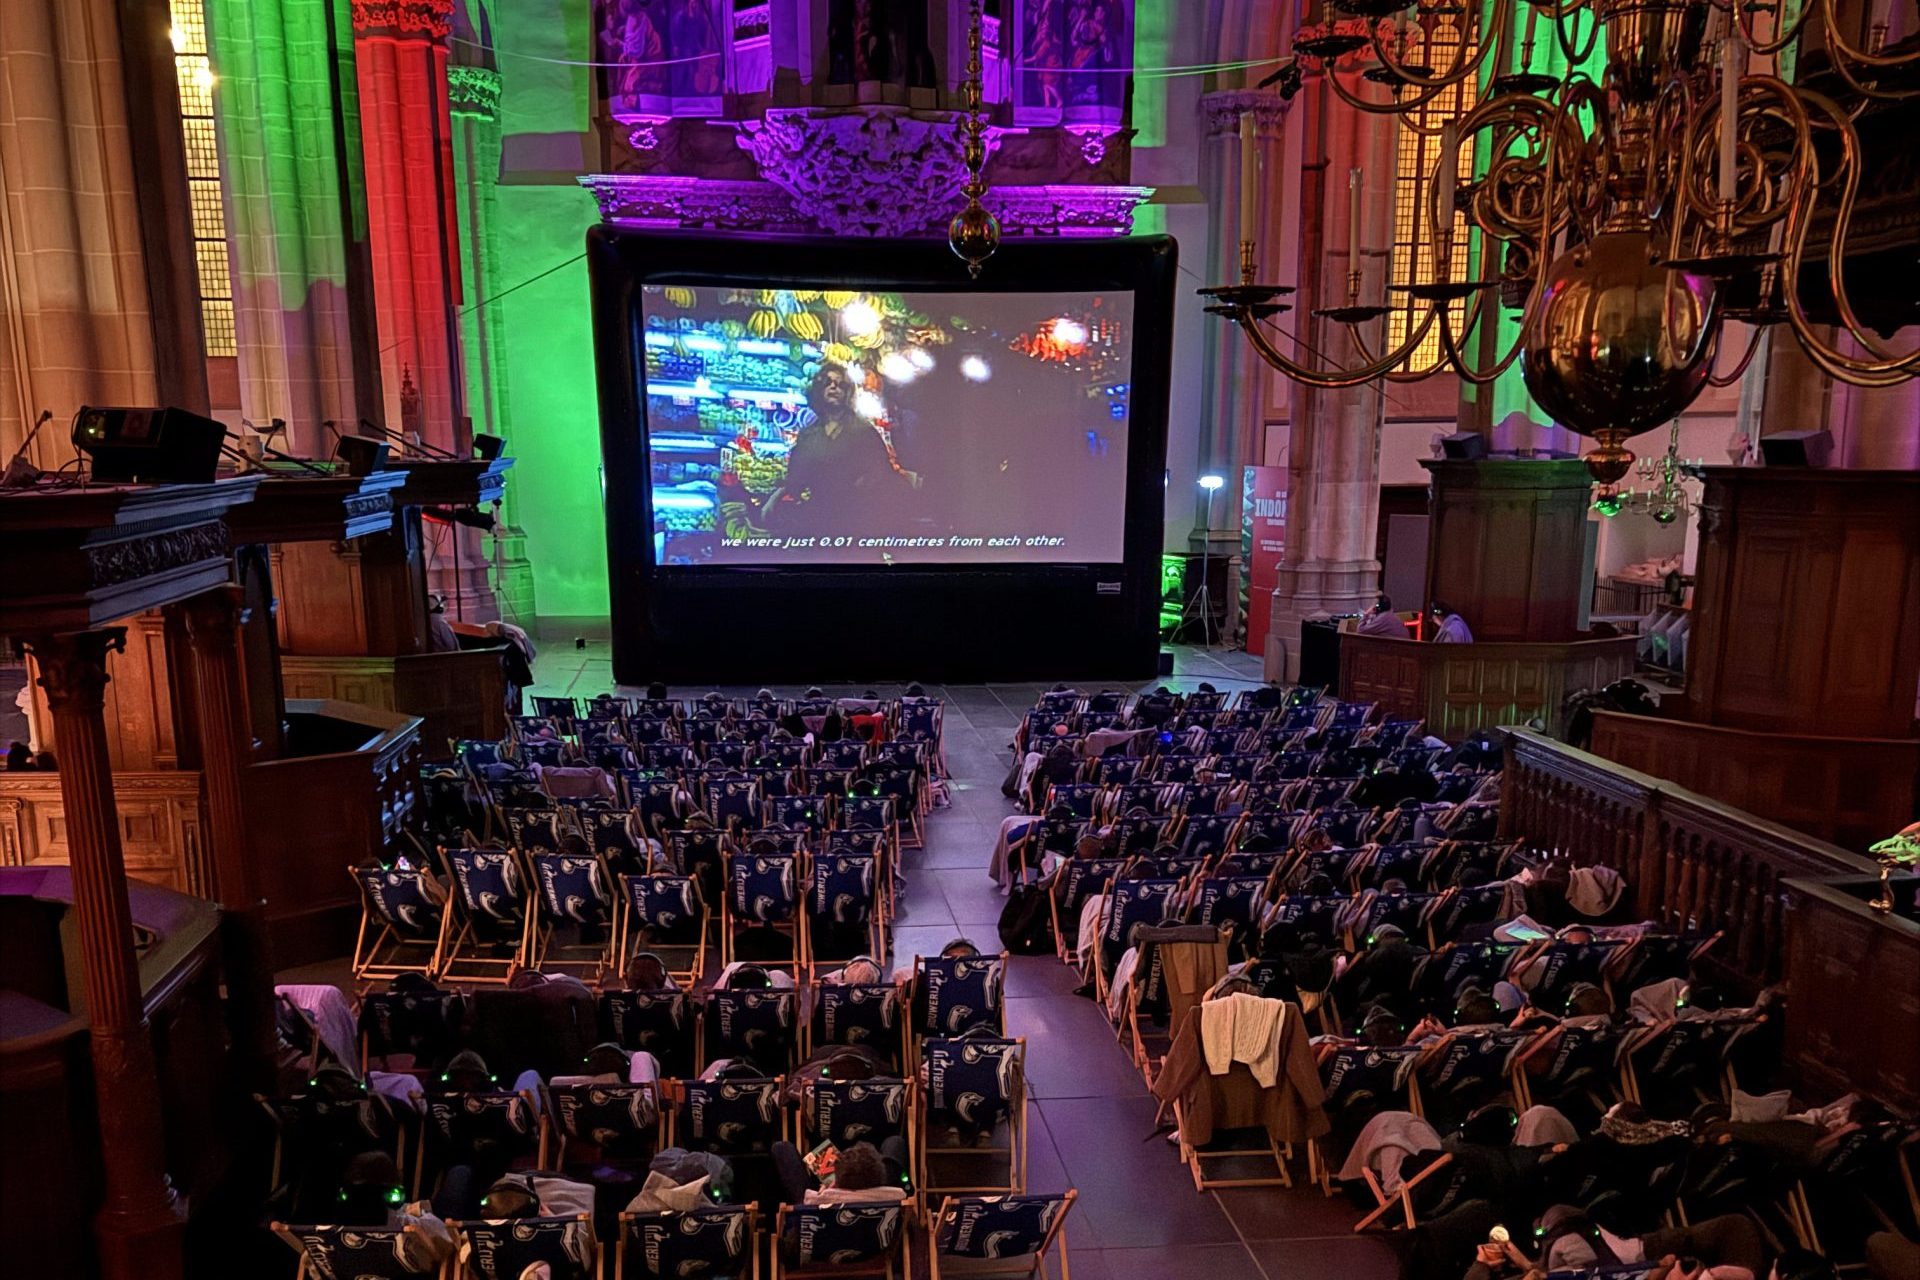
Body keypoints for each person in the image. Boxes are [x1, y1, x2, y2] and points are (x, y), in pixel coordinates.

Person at [767, 365, 917, 535]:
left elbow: (880, 474)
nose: (834, 387)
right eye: (828, 383)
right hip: (818, 521)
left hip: (856, 522)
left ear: (848, 393)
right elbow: (796, 477)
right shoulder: (809, 434)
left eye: (840, 385)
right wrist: (777, 497)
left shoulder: (864, 431)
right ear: (819, 390)